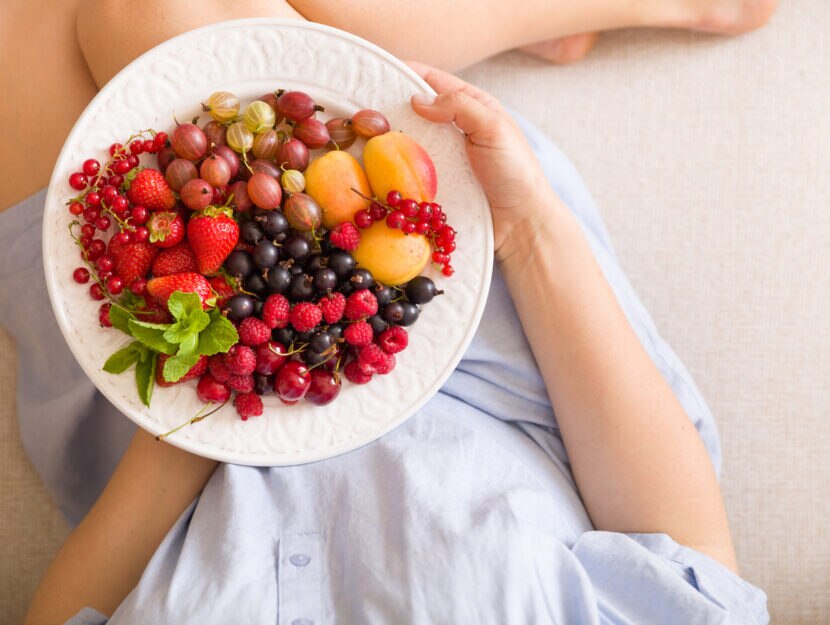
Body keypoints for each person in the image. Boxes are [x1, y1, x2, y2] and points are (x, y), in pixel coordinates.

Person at [0, 1, 776, 623]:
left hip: (171, 415)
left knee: (86, 23)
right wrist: (529, 229)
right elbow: (692, 561)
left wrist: (212, 393)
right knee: (161, 18)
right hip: (440, 339)